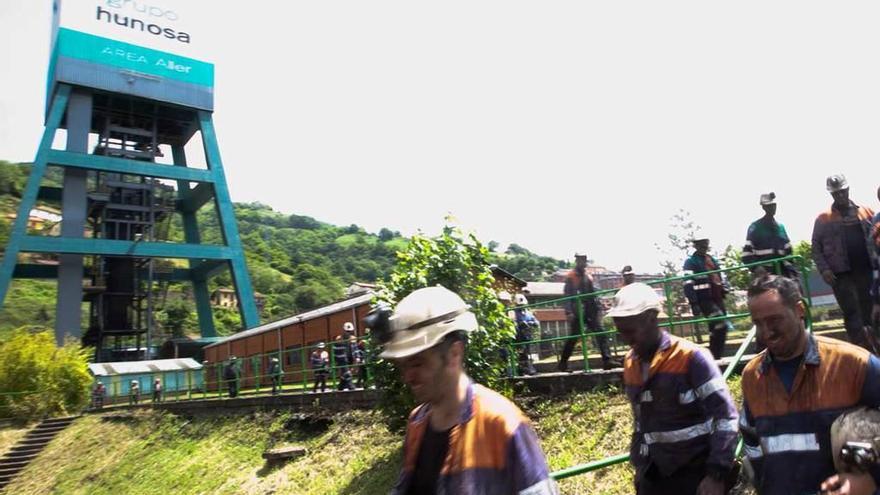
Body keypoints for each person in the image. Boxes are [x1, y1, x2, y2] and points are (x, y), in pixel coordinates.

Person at [373, 286, 558, 495]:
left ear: (454, 354)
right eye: (402, 365)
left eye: (417, 364)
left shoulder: (502, 424)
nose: (407, 376)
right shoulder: (417, 423)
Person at [740, 274, 880, 495]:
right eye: (758, 323)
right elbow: (751, 441)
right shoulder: (752, 376)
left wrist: (871, 480)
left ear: (799, 310)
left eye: (774, 320)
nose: (766, 332)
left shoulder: (854, 364)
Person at [609, 283, 739, 495]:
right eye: (620, 332)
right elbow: (640, 422)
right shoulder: (630, 363)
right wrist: (640, 469)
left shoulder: (691, 358)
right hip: (655, 475)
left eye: (630, 331)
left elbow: (726, 417)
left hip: (697, 475)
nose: (626, 340)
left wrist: (716, 475)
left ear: (652, 318)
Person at [812, 174, 880, 351]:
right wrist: (824, 269)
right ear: (831, 195)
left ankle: (876, 346)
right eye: (836, 194)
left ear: (848, 190)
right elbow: (816, 248)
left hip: (867, 271)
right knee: (852, 313)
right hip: (841, 275)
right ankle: (859, 351)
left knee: (872, 310)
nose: (840, 196)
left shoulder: (866, 212)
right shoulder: (823, 218)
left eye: (842, 192)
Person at [559, 252, 621, 371]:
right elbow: (567, 295)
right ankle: (562, 364)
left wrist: (599, 305)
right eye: (581, 260)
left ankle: (607, 360)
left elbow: (593, 293)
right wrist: (569, 312)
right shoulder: (571, 276)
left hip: (590, 310)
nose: (583, 262)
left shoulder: (588, 276)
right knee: (573, 337)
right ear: (577, 261)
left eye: (584, 259)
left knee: (601, 333)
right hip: (577, 311)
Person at [683, 238, 732, 359]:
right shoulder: (691, 262)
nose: (704, 246)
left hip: (717, 297)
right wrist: (693, 303)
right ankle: (715, 356)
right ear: (696, 246)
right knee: (721, 323)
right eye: (701, 244)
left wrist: (724, 287)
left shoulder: (711, 259)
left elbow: (719, 276)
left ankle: (714, 357)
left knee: (715, 328)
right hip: (704, 299)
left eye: (706, 244)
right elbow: (688, 282)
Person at [742, 192, 798, 280]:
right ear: (763, 207)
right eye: (769, 206)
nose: (772, 208)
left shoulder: (781, 227)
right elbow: (747, 254)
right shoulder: (755, 227)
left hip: (784, 274)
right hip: (765, 276)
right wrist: (757, 268)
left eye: (773, 205)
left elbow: (789, 252)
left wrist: (792, 272)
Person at [513, 293, 538, 376]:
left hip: (527, 336)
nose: (521, 306)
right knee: (522, 354)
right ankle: (524, 370)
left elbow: (536, 322)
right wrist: (519, 324)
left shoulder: (528, 313)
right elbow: (512, 323)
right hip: (518, 337)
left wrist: (531, 323)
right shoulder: (513, 313)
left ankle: (528, 369)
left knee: (527, 353)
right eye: (519, 305)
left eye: (523, 305)